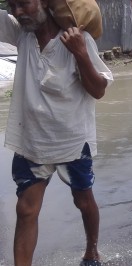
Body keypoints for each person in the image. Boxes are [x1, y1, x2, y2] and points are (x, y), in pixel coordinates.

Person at [0, 0, 113, 265]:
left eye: (24, 4)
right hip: (32, 140)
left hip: (72, 140)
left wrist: (80, 53)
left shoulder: (78, 38)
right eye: (12, 5)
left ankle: (92, 249)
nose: (17, 12)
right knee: (26, 208)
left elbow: (98, 90)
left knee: (83, 200)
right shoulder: (22, 35)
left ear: (43, 2)